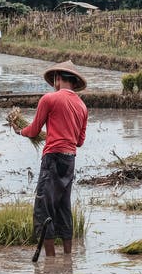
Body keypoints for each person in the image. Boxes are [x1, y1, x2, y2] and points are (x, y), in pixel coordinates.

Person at [11, 60, 88, 257]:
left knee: (43, 207)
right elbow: (79, 141)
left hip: (53, 157)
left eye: (54, 80)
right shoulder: (82, 106)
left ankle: (51, 261)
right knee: (63, 206)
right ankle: (68, 258)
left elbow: (34, 129)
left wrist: (19, 131)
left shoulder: (49, 99)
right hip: (70, 160)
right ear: (74, 82)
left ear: (57, 79)